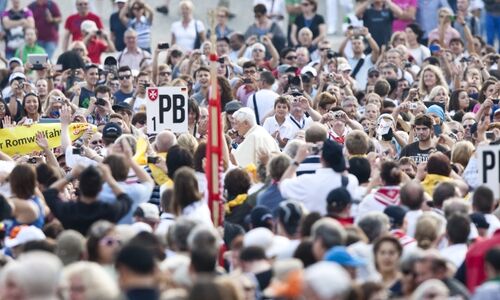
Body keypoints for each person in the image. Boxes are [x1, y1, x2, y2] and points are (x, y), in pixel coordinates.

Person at [42, 164, 133, 235]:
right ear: (101, 189)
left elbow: (49, 193)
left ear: (80, 187)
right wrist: (109, 177)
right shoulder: (110, 210)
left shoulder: (68, 210)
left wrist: (71, 175)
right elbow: (126, 199)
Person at [280, 139, 359, 215]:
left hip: (314, 226)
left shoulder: (306, 181)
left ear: (321, 159)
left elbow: (282, 185)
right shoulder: (351, 180)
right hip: (340, 227)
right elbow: (343, 170)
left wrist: (297, 159)